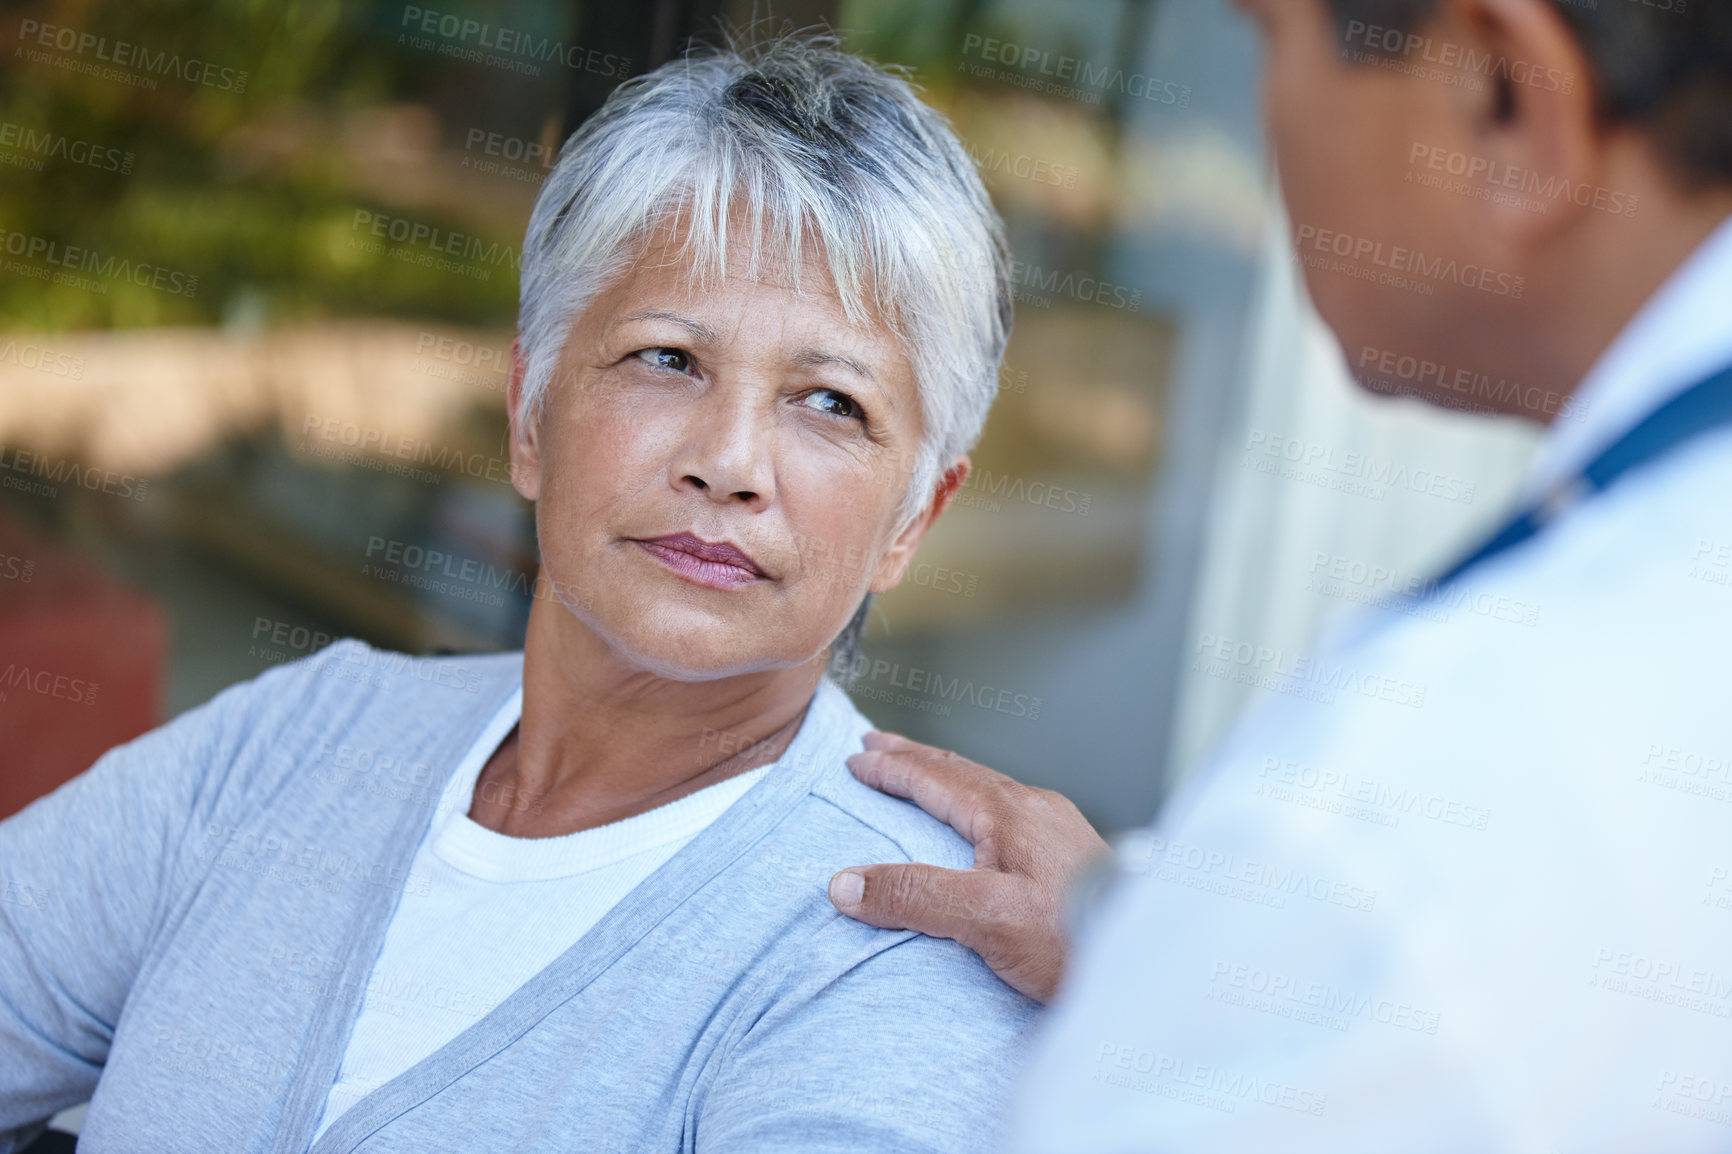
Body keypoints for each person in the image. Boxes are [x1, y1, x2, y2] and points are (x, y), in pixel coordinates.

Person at [0, 38, 1038, 1154]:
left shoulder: (890, 940)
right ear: (530, 413)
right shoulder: (303, 735)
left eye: (832, 402)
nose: (729, 460)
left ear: (914, 519)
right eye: (667, 358)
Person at [829, 0, 1732, 1147]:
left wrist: (1250, 951)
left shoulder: (1396, 809)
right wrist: (1151, 932)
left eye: (1270, 38)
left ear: (1504, 99)